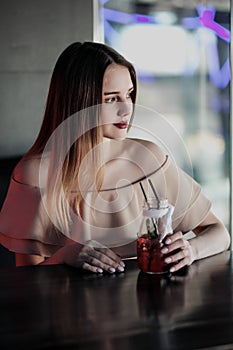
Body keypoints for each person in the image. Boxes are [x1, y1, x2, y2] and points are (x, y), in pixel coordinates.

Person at [0, 41, 230, 274]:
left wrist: (191, 250)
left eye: (129, 95)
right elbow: (26, 277)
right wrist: (63, 256)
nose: (126, 109)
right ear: (79, 102)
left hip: (151, 303)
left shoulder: (149, 158)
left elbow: (219, 233)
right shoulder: (33, 174)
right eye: (111, 99)